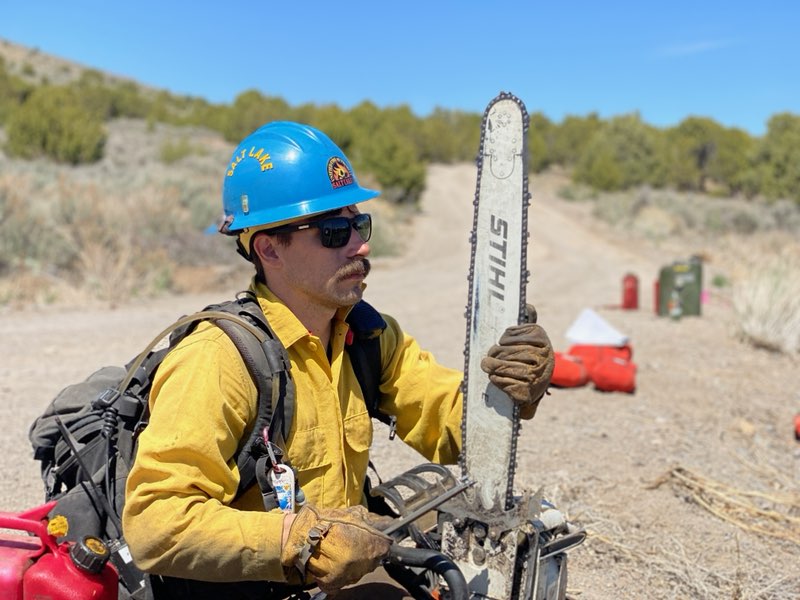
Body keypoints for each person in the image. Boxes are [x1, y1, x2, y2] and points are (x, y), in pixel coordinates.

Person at [122, 121, 554, 598]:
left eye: (359, 223)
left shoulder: (368, 335)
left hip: (334, 580)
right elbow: (155, 523)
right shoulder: (218, 359)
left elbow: (454, 430)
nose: (360, 244)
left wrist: (510, 387)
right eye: (333, 231)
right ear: (268, 248)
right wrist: (304, 541)